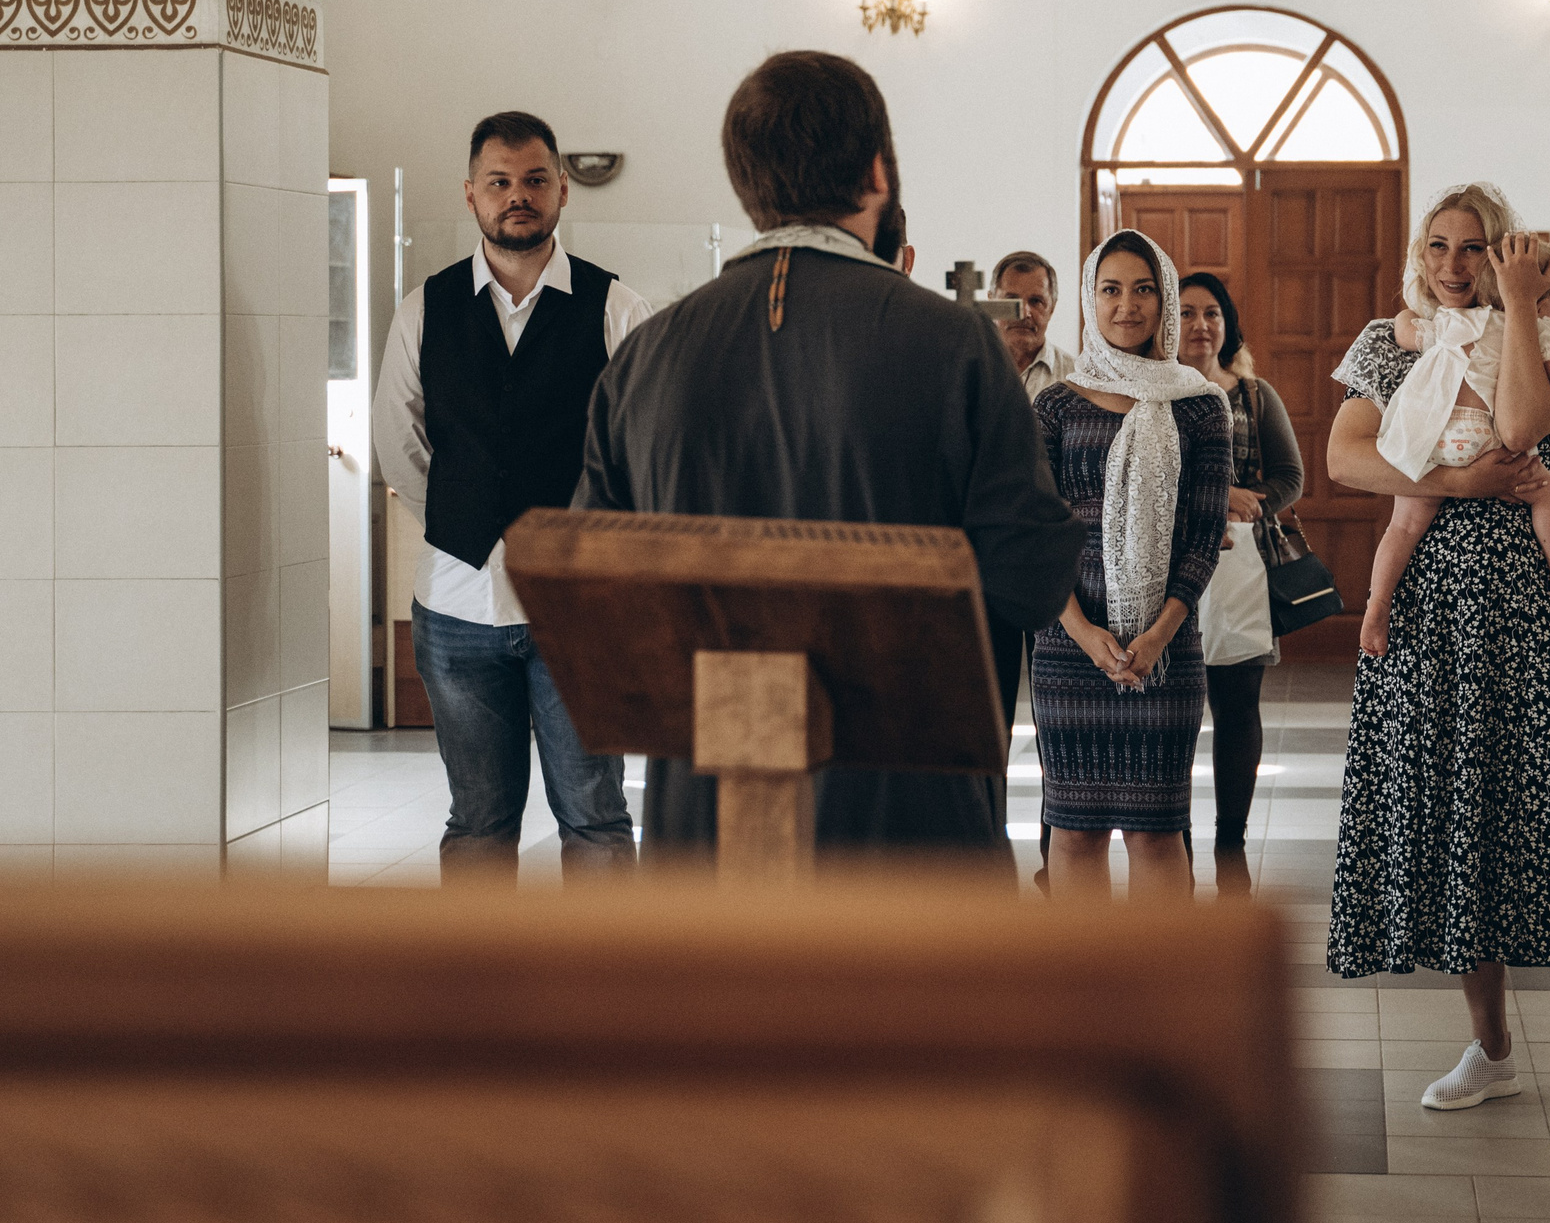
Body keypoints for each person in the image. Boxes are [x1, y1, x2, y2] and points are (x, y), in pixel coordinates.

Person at [579, 51, 1081, 858]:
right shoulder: (954, 344)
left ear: (746, 184)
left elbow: (598, 600)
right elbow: (1029, 575)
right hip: (907, 814)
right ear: (878, 172)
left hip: (709, 817)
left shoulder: (646, 356)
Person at [1325, 182, 1550, 1123]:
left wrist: (1517, 307)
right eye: (1437, 246)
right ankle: (1491, 1046)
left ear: (1504, 253)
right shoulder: (1383, 341)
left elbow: (1523, 426)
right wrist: (1458, 479)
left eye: (1472, 248)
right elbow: (1345, 457)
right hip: (1431, 616)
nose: (1451, 264)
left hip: (1529, 606)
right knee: (1461, 821)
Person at [372, 110, 650, 883]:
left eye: (533, 180)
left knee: (595, 817)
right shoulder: (425, 308)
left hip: (579, 610)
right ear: (471, 195)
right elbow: (399, 439)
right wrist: (462, 521)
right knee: (478, 824)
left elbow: (644, 450)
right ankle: (478, 1000)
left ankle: (599, 999)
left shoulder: (617, 308)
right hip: (457, 606)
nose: (516, 196)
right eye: (499, 181)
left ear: (562, 189)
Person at [1030, 232, 1231, 898]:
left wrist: (1155, 636)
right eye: (1111, 289)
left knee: (1154, 829)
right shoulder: (1056, 403)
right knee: (1075, 829)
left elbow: (1201, 536)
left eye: (1143, 288)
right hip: (1067, 645)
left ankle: (1160, 1000)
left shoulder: (1200, 404)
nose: (1126, 304)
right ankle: (1082, 1001)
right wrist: (1086, 634)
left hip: (1165, 649)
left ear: (1165, 299)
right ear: (1090, 299)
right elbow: (1040, 530)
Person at [1358, 242, 1550, 657]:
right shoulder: (1535, 329)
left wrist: (1405, 315)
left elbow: (1405, 332)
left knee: (1402, 527)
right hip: (1487, 439)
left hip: (1433, 435)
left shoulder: (1452, 320)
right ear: (1532, 296)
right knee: (1543, 491)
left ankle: (1378, 603)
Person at [1174, 271, 1304, 871]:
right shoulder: (1153, 393)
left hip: (1241, 568)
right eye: (1188, 313)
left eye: (1212, 313)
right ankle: (1170, 833)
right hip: (1165, 564)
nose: (1201, 325)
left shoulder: (1255, 394)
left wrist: (1249, 501)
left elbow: (1290, 478)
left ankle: (1231, 837)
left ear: (1228, 325)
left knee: (1237, 703)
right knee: (1170, 707)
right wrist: (1213, 495)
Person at [993, 250, 1076, 396]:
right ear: (991, 301)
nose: (1024, 313)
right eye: (1012, 300)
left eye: (1036, 301)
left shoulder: (1076, 378)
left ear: (1052, 308)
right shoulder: (963, 371)